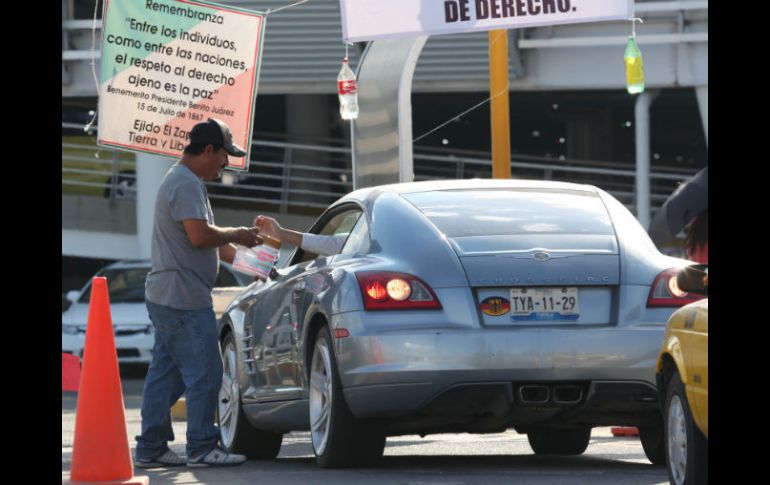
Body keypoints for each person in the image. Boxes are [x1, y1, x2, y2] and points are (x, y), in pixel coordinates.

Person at [135, 118, 262, 468]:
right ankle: (203, 447)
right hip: (183, 299)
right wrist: (237, 232)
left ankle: (150, 446)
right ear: (207, 150)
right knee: (206, 372)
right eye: (224, 155)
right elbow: (201, 237)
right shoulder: (185, 183)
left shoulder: (186, 181)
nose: (226, 163)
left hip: (171, 295)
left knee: (167, 374)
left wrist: (259, 267)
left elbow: (211, 244)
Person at [254, 215, 346, 256]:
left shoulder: (354, 243)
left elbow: (333, 245)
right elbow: (333, 244)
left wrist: (280, 233)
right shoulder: (354, 240)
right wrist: (280, 233)